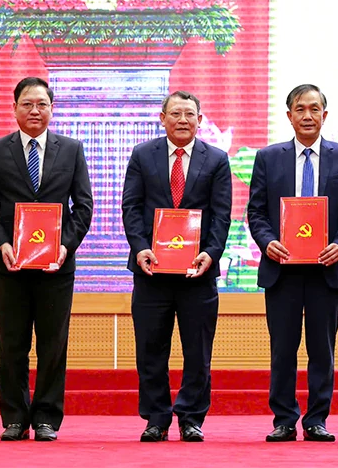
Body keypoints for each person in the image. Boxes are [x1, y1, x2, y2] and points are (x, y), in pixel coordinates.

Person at [0, 77, 93, 442]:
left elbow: (83, 206)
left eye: (41, 104)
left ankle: (46, 419)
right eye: (27, 104)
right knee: (12, 343)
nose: (34, 110)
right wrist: (0, 244)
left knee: (53, 345)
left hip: (57, 266)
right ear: (15, 108)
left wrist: (65, 246)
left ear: (52, 109)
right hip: (11, 265)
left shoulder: (71, 149)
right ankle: (14, 418)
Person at [247, 84, 338, 442]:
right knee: (282, 349)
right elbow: (256, 211)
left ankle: (316, 419)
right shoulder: (268, 157)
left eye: (315, 109)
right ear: (289, 116)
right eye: (300, 109)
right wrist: (268, 242)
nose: (308, 115)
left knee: (322, 350)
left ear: (325, 115)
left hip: (325, 270)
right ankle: (283, 419)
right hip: (282, 268)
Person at [121, 91, 232, 442]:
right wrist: (139, 248)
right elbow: (131, 207)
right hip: (152, 271)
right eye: (176, 113)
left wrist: (211, 253)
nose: (182, 120)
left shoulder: (215, 159)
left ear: (200, 119)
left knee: (197, 351)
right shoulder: (143, 155)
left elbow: (222, 214)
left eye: (189, 114)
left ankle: (190, 417)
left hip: (197, 273)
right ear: (162, 117)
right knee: (151, 348)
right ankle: (156, 417)